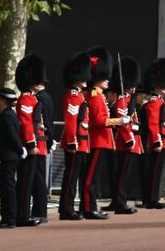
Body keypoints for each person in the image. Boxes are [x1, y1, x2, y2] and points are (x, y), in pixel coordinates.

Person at [82, 48, 118, 220]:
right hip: (97, 140)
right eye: (104, 79)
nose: (107, 81)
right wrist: (119, 121)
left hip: (101, 140)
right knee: (91, 178)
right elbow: (99, 121)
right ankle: (89, 208)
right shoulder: (95, 97)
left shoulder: (99, 96)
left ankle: (89, 206)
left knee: (93, 177)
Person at [14, 56, 48, 226]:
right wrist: (31, 143)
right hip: (30, 145)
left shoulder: (33, 98)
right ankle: (22, 215)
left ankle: (24, 214)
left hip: (36, 143)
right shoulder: (27, 98)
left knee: (30, 181)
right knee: (26, 182)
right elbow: (26, 122)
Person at [57, 53, 91, 221]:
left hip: (81, 141)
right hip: (75, 141)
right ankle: (66, 209)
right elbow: (71, 122)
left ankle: (69, 207)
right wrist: (72, 141)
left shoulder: (78, 95)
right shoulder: (72, 95)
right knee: (70, 177)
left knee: (74, 176)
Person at [106, 55, 141, 215]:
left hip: (126, 140)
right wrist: (129, 140)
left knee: (121, 173)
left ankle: (117, 200)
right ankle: (120, 202)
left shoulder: (127, 98)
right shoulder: (122, 99)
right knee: (122, 174)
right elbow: (123, 122)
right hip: (123, 141)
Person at [137, 58, 165, 209]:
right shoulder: (154, 101)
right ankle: (151, 199)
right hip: (156, 141)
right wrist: (157, 141)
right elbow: (153, 123)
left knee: (155, 172)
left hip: (160, 139)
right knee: (153, 172)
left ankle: (150, 198)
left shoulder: (158, 100)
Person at [0, 87, 24, 228]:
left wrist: (20, 148)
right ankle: (9, 216)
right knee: (8, 187)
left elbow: (12, 137)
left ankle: (9, 218)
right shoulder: (9, 114)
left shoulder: (6, 116)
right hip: (10, 155)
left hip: (8, 156)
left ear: (4, 100)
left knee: (7, 187)